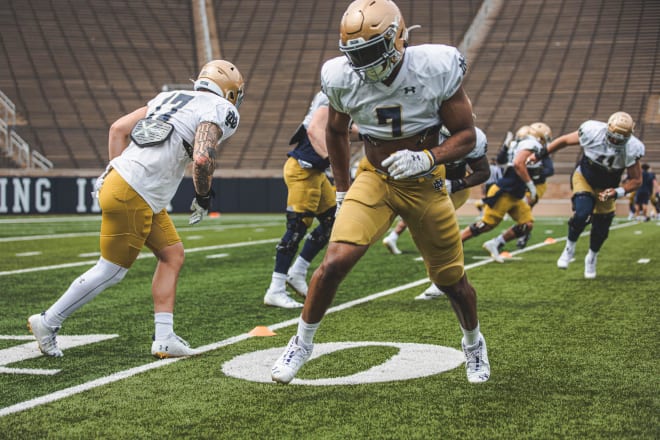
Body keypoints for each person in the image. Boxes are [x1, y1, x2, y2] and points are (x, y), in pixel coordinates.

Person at [271, 0, 490, 385]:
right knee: (335, 261)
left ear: (399, 37)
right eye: (357, 54)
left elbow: (467, 136)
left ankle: (474, 345)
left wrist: (428, 157)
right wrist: (342, 190)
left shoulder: (435, 66)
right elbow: (336, 131)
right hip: (374, 176)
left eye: (373, 50)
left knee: (450, 281)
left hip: (424, 183)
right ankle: (302, 343)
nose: (366, 63)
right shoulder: (340, 76)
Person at [28, 60, 245, 358]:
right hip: (137, 190)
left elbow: (118, 129)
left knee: (172, 254)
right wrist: (203, 195)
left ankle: (165, 337)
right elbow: (203, 158)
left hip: (130, 185)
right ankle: (48, 321)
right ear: (230, 93)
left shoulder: (168, 97)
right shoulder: (221, 109)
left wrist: (119, 170)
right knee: (111, 270)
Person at [264, 91, 358, 309]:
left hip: (315, 173)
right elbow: (315, 130)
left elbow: (344, 129)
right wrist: (334, 161)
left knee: (332, 222)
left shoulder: (341, 95)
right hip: (303, 169)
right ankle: (275, 289)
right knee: (297, 227)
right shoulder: (334, 93)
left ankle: (297, 272)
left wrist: (371, 134)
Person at [531, 111, 644, 278]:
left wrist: (617, 192)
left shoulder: (633, 148)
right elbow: (563, 141)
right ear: (607, 129)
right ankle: (569, 248)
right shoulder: (593, 131)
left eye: (620, 139)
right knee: (583, 213)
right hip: (585, 176)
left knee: (601, 229)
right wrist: (539, 155)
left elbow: (636, 180)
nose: (614, 141)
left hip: (608, 186)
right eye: (613, 136)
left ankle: (591, 257)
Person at [382, 125, 490, 261]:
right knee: (426, 216)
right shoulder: (426, 131)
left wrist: (456, 184)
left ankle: (436, 254)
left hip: (455, 183)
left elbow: (483, 172)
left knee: (432, 217)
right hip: (430, 179)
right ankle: (438, 255)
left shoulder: (474, 137)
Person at [461, 122, 552, 262]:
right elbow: (518, 164)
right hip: (504, 192)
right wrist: (531, 185)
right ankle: (454, 244)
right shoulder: (532, 145)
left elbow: (502, 161)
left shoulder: (517, 145)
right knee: (486, 225)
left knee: (526, 224)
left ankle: (495, 243)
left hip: (516, 194)